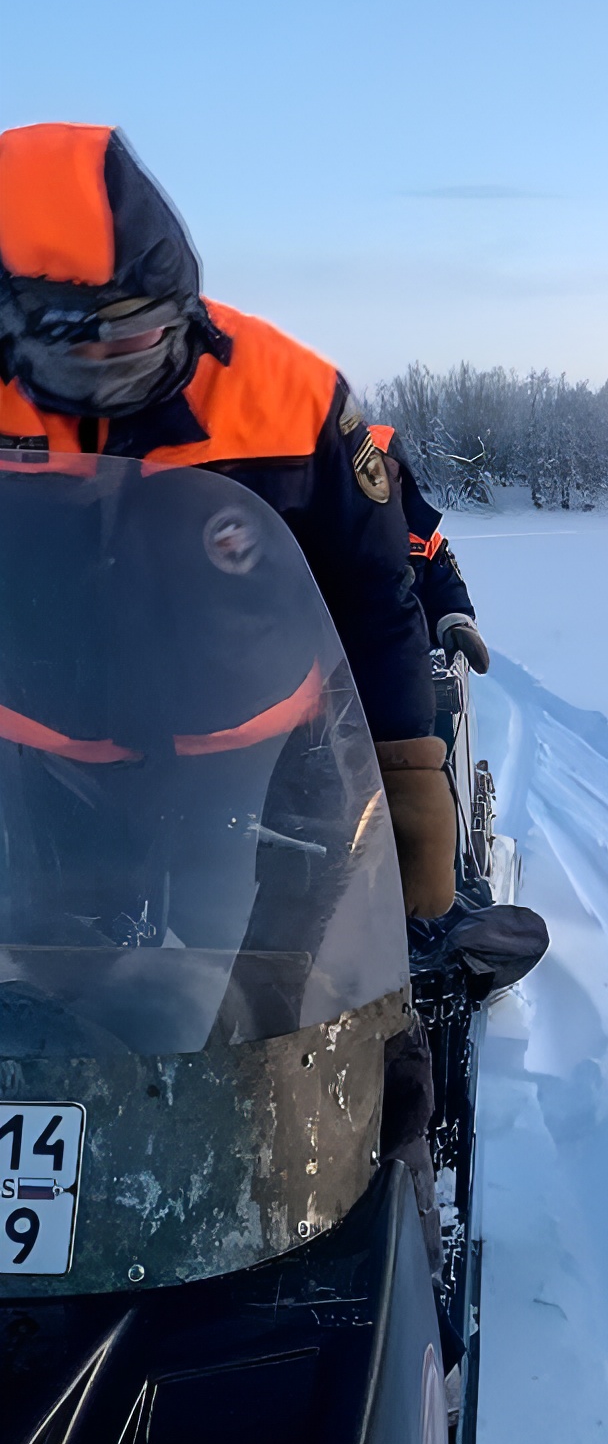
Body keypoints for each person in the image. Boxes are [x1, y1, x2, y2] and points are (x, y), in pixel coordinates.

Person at [0, 121, 454, 920]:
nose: (112, 368)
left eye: (136, 335)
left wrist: (408, 778)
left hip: (261, 770)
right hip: (41, 775)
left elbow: (374, 597)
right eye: (77, 348)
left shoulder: (294, 397)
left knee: (272, 1018)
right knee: (54, 1015)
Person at [369, 423, 489, 672]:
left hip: (414, 672)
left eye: (389, 471)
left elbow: (448, 595)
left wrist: (456, 626)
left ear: (402, 478)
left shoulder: (426, 542)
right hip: (347, 682)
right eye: (371, 473)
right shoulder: (330, 540)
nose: (382, 483)